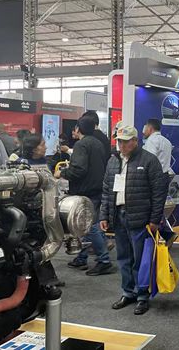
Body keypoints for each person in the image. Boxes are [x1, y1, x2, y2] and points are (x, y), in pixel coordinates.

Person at [99, 125, 166, 315]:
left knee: (141, 260)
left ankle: (142, 295)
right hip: (118, 216)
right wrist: (104, 215)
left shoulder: (149, 160)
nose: (121, 145)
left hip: (140, 218)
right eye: (119, 141)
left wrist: (154, 219)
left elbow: (159, 193)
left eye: (125, 141)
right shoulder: (113, 161)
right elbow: (106, 190)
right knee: (123, 258)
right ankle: (128, 292)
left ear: (135, 141)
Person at [58, 117, 112, 276]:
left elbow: (79, 170)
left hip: (85, 191)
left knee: (89, 226)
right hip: (97, 188)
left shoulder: (81, 145)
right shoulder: (98, 143)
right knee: (84, 225)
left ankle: (104, 260)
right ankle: (82, 257)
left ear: (78, 129)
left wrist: (62, 173)